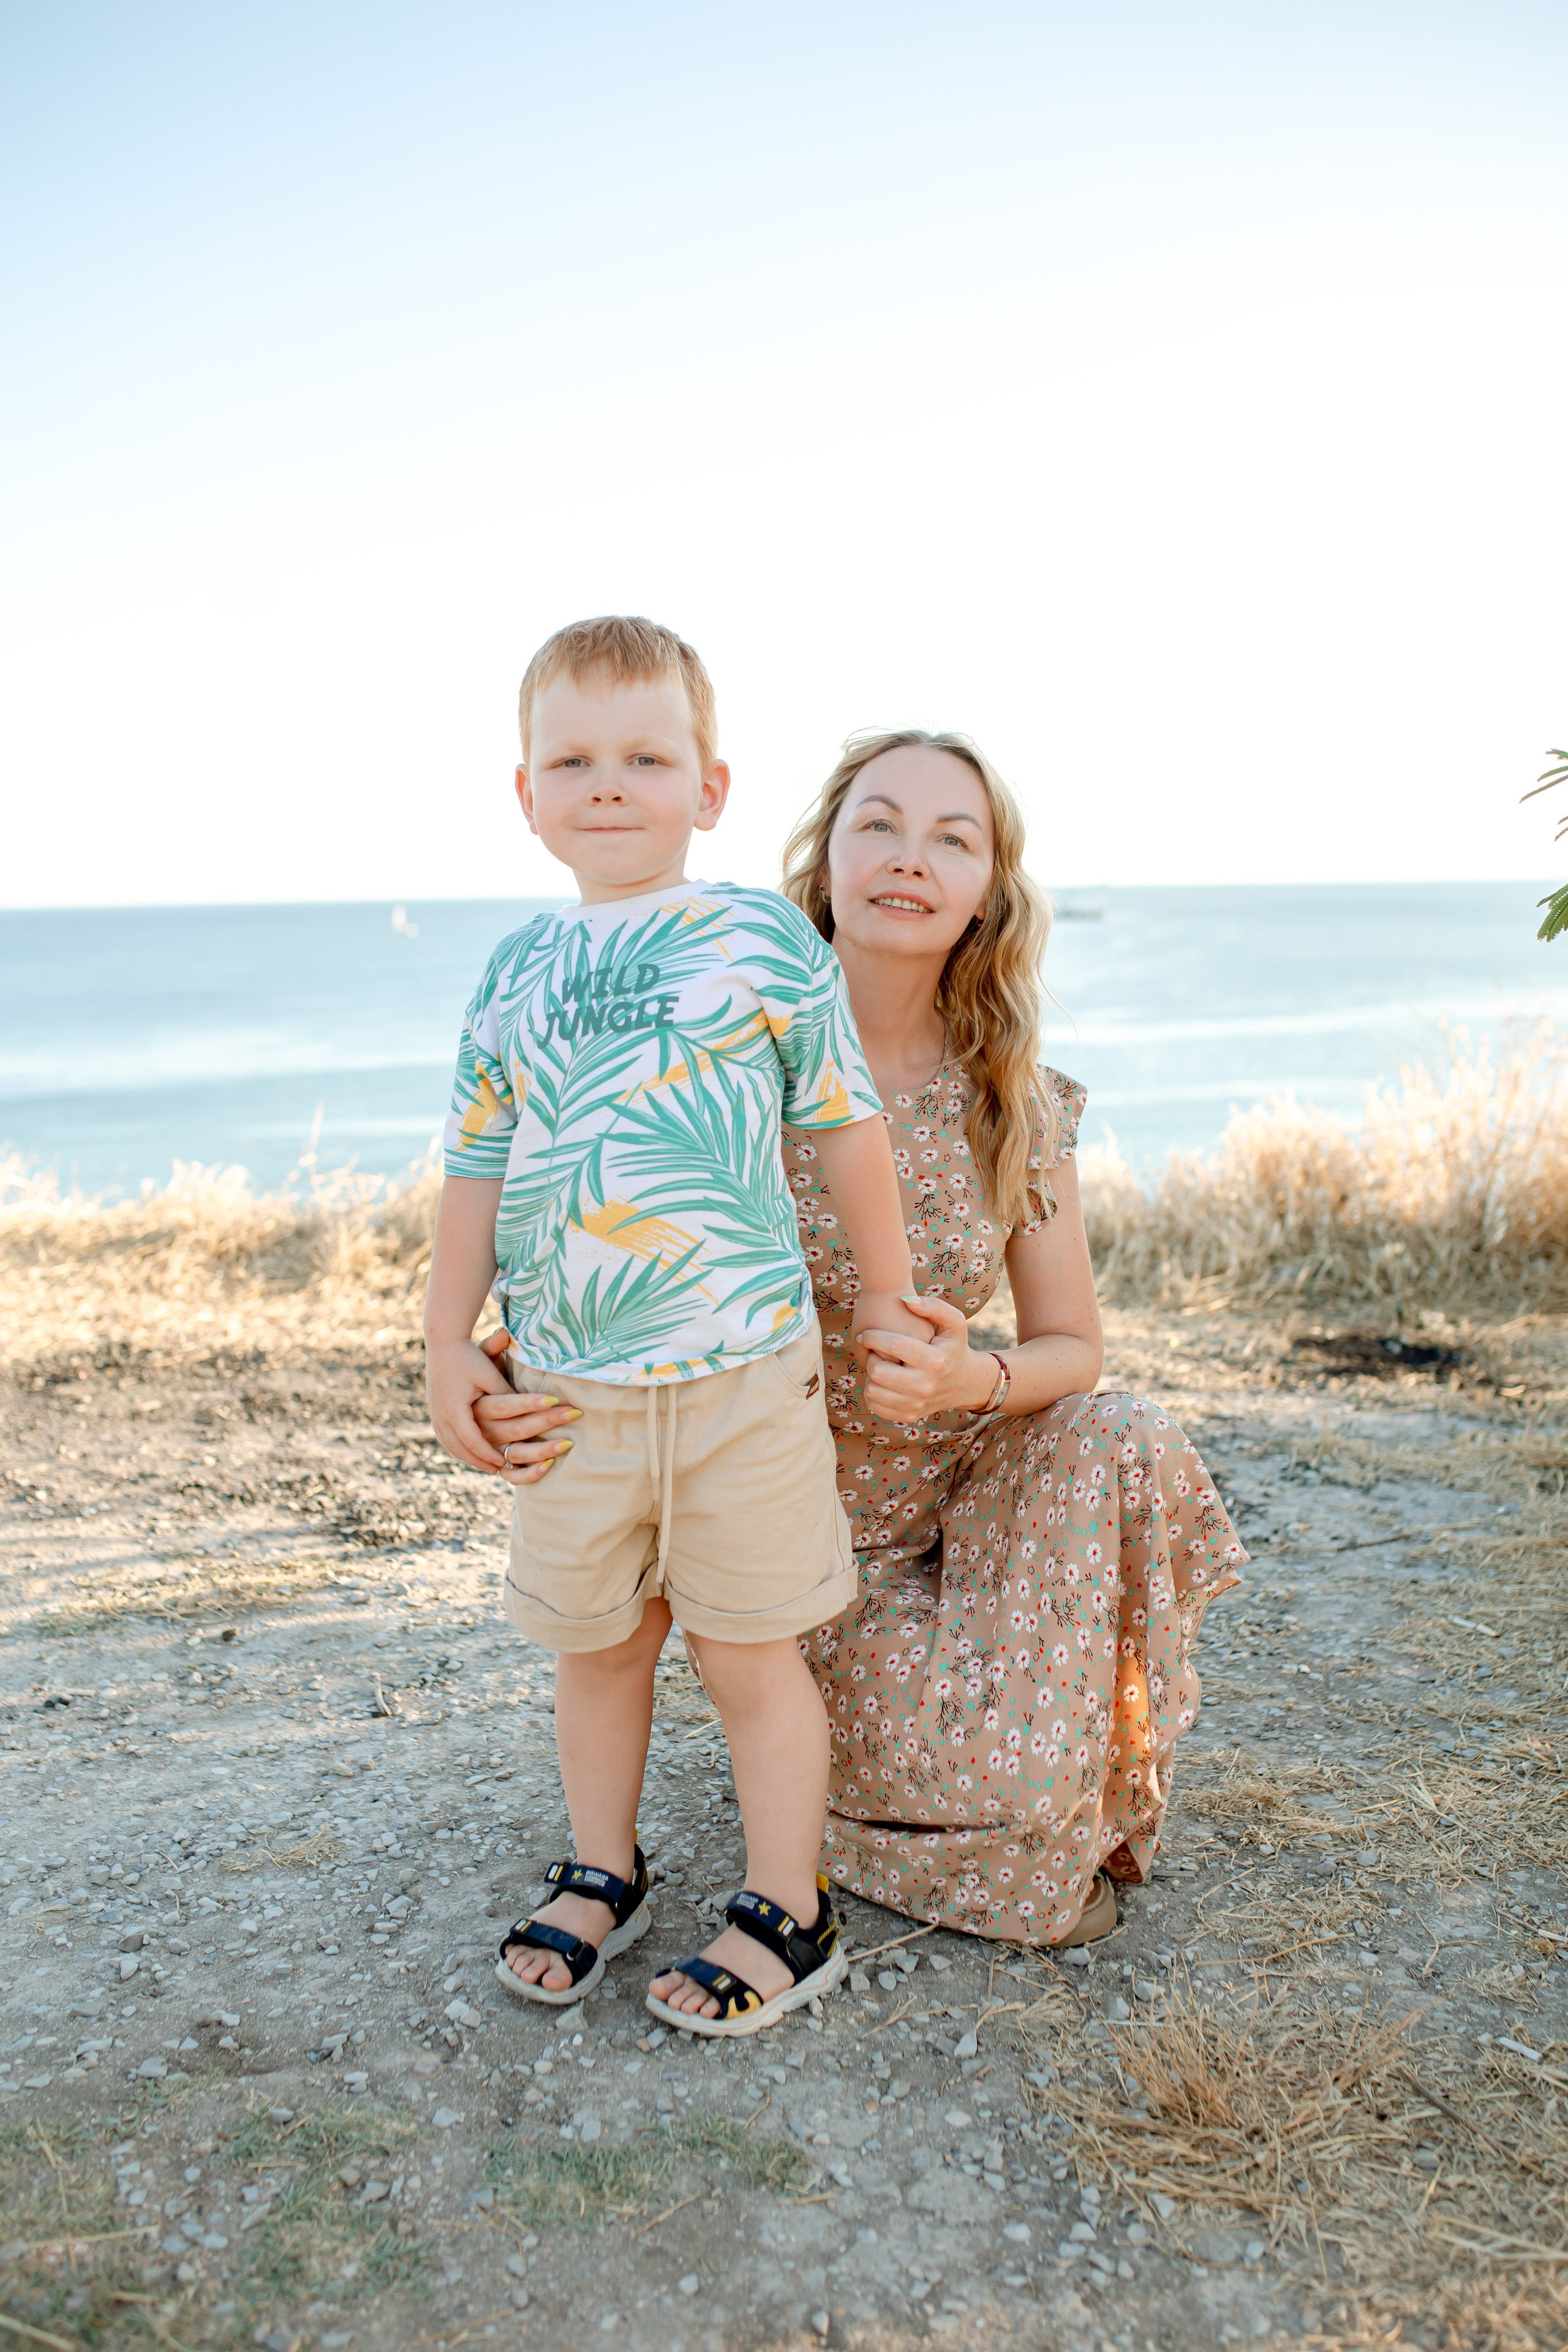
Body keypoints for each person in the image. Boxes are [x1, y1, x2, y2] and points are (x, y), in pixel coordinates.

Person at [427, 617, 927, 2034]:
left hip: (740, 1378)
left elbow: (842, 1123)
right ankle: (604, 1866)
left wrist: (886, 1297)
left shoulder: (758, 937)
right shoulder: (512, 972)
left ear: (708, 788)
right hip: (567, 1387)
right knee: (595, 1642)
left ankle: (790, 1905)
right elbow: (475, 1162)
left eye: (645, 756)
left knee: (748, 1649)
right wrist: (446, 1340)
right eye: (571, 758)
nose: (605, 784)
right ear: (523, 794)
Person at [778, 728, 1246, 1943]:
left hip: (978, 1486)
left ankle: (1010, 1776)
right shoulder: (740, 1059)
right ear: (824, 857)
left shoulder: (1010, 1096)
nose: (908, 857)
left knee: (1121, 1430)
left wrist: (962, 1378)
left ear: (987, 889)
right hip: (796, 1543)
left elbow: (1069, 1351)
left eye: (952, 837)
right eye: (876, 823)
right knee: (1024, 1788)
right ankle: (831, 1803)